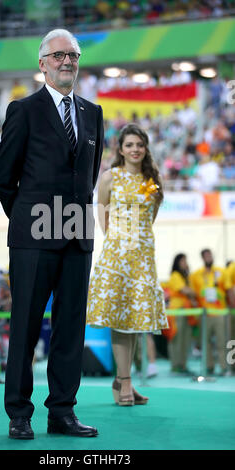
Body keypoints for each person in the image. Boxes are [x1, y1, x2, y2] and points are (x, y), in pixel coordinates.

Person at [0, 29, 104, 439]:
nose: (66, 61)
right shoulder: (22, 110)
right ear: (42, 64)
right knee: (24, 327)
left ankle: (62, 412)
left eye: (72, 55)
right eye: (58, 55)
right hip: (33, 237)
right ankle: (19, 413)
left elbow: (88, 177)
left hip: (77, 234)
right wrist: (26, 217)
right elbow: (4, 176)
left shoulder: (93, 113)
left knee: (71, 328)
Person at [86, 124, 168, 406]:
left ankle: (123, 380)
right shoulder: (110, 177)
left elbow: (150, 217)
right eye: (130, 145)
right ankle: (125, 382)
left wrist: (137, 243)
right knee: (120, 321)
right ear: (120, 149)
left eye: (140, 145)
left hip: (144, 258)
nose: (135, 149)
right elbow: (102, 215)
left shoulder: (151, 181)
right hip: (117, 257)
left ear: (145, 149)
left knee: (134, 322)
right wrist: (119, 244)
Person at [191, 249, 227, 375]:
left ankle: (224, 367)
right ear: (202, 258)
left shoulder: (221, 272)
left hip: (220, 312)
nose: (208, 257)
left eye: (210, 255)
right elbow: (193, 293)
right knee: (205, 343)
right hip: (205, 314)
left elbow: (227, 289)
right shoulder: (196, 275)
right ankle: (209, 366)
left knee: (222, 341)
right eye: (205, 256)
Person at [166, 253, 198, 375]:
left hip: (187, 312)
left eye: (186, 260)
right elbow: (185, 291)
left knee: (186, 339)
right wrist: (192, 292)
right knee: (176, 338)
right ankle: (175, 365)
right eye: (182, 261)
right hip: (177, 312)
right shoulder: (175, 276)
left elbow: (192, 292)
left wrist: (192, 292)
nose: (185, 263)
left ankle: (183, 364)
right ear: (177, 263)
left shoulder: (187, 278)